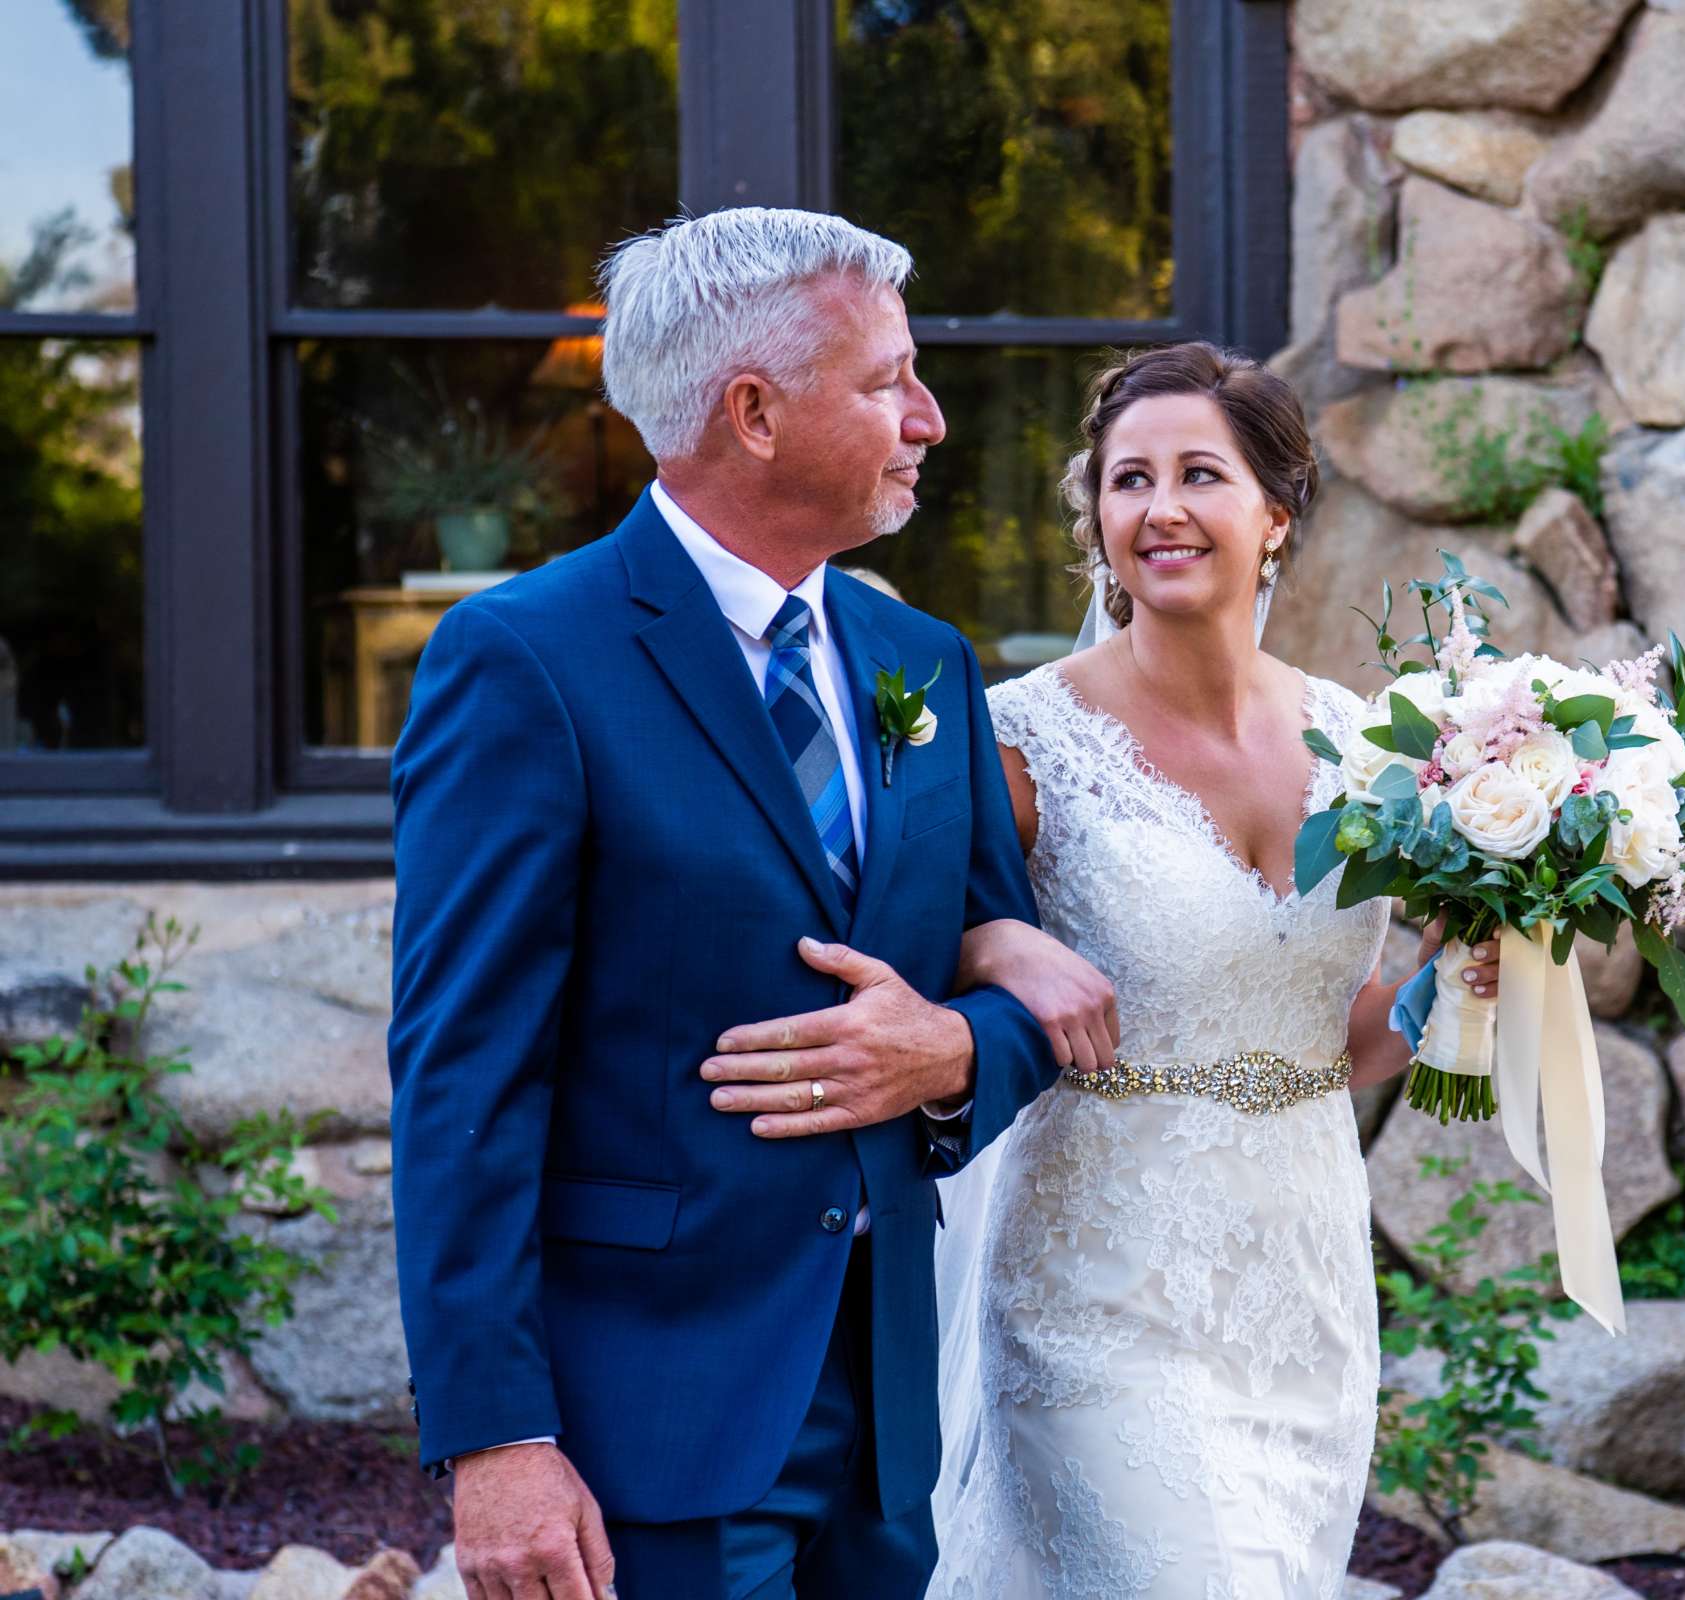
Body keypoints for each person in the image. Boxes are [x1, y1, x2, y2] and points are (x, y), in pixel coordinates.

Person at [386, 207, 1112, 1600]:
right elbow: (461, 1073)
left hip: (888, 1423)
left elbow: (1005, 979)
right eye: (889, 379)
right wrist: (497, 1438)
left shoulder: (924, 661)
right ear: (755, 412)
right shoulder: (524, 660)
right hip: (647, 1424)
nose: (932, 418)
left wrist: (957, 1053)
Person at [915, 343, 1502, 1598]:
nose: (1159, 507)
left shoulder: (1368, 746)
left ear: (1275, 515)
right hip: (1096, 1289)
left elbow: (1330, 1041)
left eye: (1198, 473)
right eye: (1129, 480)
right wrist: (995, 941)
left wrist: (1455, 977)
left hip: (1301, 1284)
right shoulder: (1020, 740)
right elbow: (923, 948)